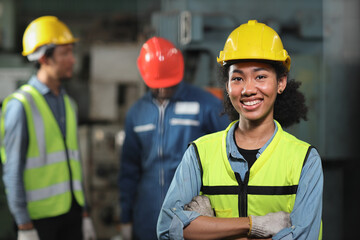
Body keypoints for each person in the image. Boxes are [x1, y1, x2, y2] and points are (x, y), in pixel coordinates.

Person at [157, 20, 323, 240]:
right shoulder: (199, 154)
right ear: (227, 86)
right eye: (237, 78)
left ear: (281, 82)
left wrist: (210, 230)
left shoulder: (304, 160)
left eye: (261, 76)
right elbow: (168, 230)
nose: (248, 89)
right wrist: (254, 226)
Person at [118, 36, 230, 240]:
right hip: (147, 215)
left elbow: (229, 152)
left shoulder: (206, 105)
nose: (162, 89)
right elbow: (129, 170)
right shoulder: (137, 113)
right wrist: (126, 218)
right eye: (156, 85)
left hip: (193, 215)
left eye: (168, 84)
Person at [0, 16, 96, 240]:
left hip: (71, 215)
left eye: (71, 52)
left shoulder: (68, 104)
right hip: (39, 221)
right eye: (65, 53)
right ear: (44, 58)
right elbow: (12, 171)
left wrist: (84, 213)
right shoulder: (20, 106)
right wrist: (24, 226)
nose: (73, 60)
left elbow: (74, 163)